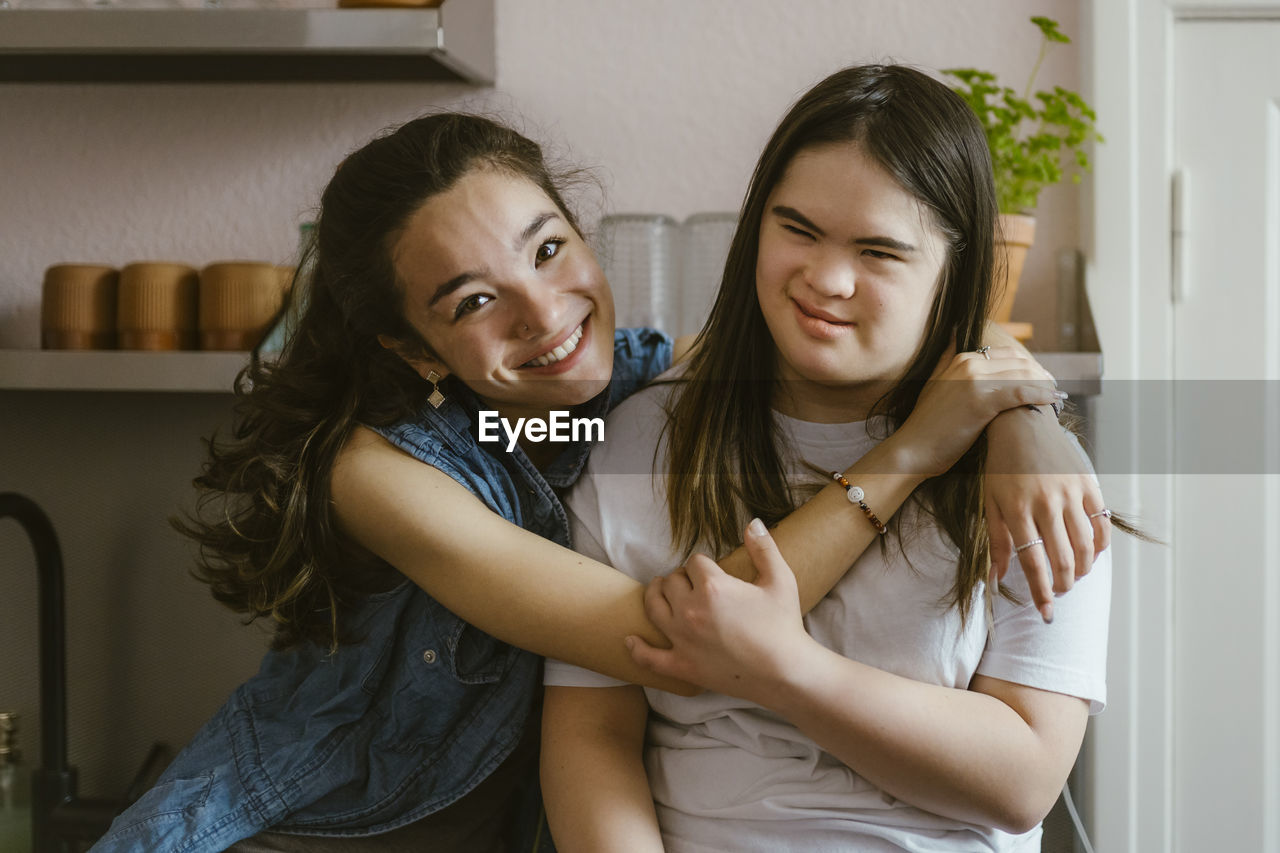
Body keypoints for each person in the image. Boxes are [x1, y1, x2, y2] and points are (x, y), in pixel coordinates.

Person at [91, 111, 1105, 853]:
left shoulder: (641, 380)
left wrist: (1025, 416)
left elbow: (859, 304)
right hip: (309, 830)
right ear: (416, 348)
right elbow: (678, 640)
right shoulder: (380, 472)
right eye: (477, 300)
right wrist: (910, 458)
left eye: (550, 250)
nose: (544, 315)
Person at [541, 64, 1117, 853]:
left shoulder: (1032, 477)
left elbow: (1023, 780)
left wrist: (787, 671)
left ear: (956, 271)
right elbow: (592, 739)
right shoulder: (642, 442)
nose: (827, 279)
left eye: (880, 252)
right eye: (799, 229)